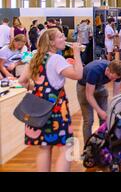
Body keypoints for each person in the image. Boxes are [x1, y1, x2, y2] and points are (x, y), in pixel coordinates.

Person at [18, 29, 83, 172]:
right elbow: (78, 74)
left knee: (44, 147)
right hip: (56, 110)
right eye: (60, 36)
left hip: (37, 109)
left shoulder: (36, 57)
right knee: (67, 146)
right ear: (52, 42)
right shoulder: (56, 59)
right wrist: (77, 53)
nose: (64, 37)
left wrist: (36, 87)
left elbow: (22, 81)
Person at [76, 59, 121, 143]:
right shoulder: (94, 70)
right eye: (112, 78)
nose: (113, 80)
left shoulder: (117, 72)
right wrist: (99, 111)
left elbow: (116, 94)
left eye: (116, 79)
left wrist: (115, 110)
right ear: (108, 70)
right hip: (84, 87)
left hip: (99, 85)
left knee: (106, 118)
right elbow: (89, 95)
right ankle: (87, 148)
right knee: (89, 120)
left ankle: (102, 143)